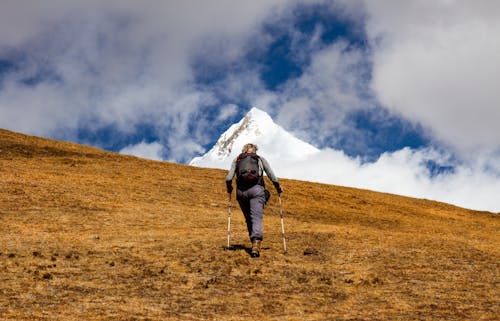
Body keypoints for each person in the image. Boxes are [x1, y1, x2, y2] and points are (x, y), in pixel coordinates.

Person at [225, 143, 283, 257]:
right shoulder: (260, 159)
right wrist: (278, 187)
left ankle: (253, 242)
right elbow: (271, 175)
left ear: (244, 150)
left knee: (248, 219)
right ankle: (256, 244)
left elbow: (228, 178)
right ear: (255, 150)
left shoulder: (237, 160)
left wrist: (229, 188)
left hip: (240, 193)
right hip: (256, 190)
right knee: (256, 217)